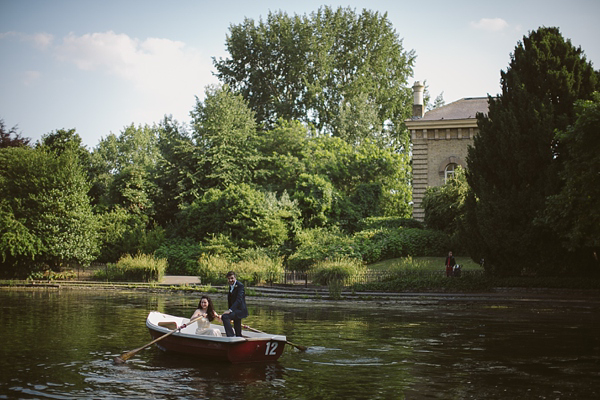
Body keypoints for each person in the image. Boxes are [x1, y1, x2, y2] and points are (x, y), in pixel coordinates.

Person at [221, 271, 248, 337]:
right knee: (237, 327)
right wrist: (230, 310)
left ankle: (230, 336)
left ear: (235, 278)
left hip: (240, 310)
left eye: (232, 278)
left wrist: (230, 310)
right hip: (234, 310)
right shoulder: (231, 286)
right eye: (229, 279)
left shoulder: (240, 286)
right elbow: (231, 300)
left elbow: (239, 300)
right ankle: (239, 337)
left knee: (224, 317)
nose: (230, 280)